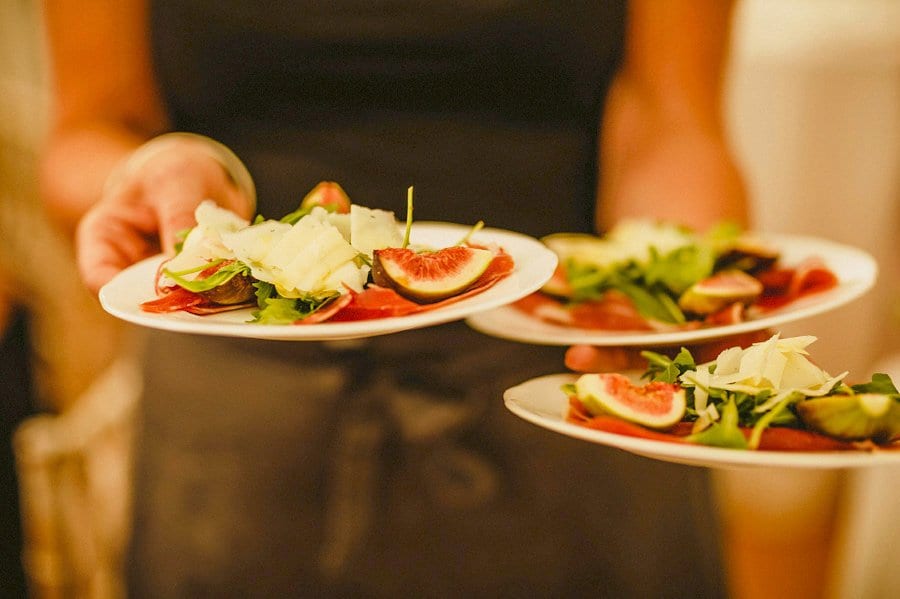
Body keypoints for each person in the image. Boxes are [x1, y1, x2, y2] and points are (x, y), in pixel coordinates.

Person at [40, 1, 748, 596]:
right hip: (239, 427)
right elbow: (87, 127)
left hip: (560, 386)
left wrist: (675, 281)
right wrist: (149, 172)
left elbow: (673, 121)